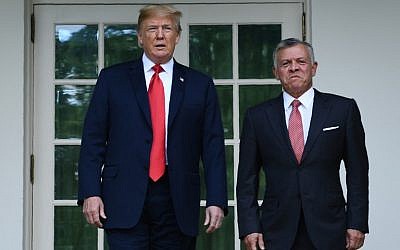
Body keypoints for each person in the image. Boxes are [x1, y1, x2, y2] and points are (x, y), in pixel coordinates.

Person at [78, 4, 227, 249]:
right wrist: (90, 192)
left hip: (177, 199)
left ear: (177, 36)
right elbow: (93, 140)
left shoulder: (200, 84)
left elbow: (213, 147)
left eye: (167, 28)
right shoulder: (112, 79)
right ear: (139, 37)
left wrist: (216, 199)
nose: (160, 35)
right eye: (152, 29)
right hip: (123, 196)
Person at [236, 38, 369, 250]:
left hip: (330, 226)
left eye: (301, 61)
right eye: (285, 63)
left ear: (314, 68)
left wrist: (357, 222)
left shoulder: (342, 110)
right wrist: (249, 226)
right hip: (276, 228)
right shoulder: (257, 116)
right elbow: (246, 179)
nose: (294, 67)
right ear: (275, 72)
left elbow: (358, 173)